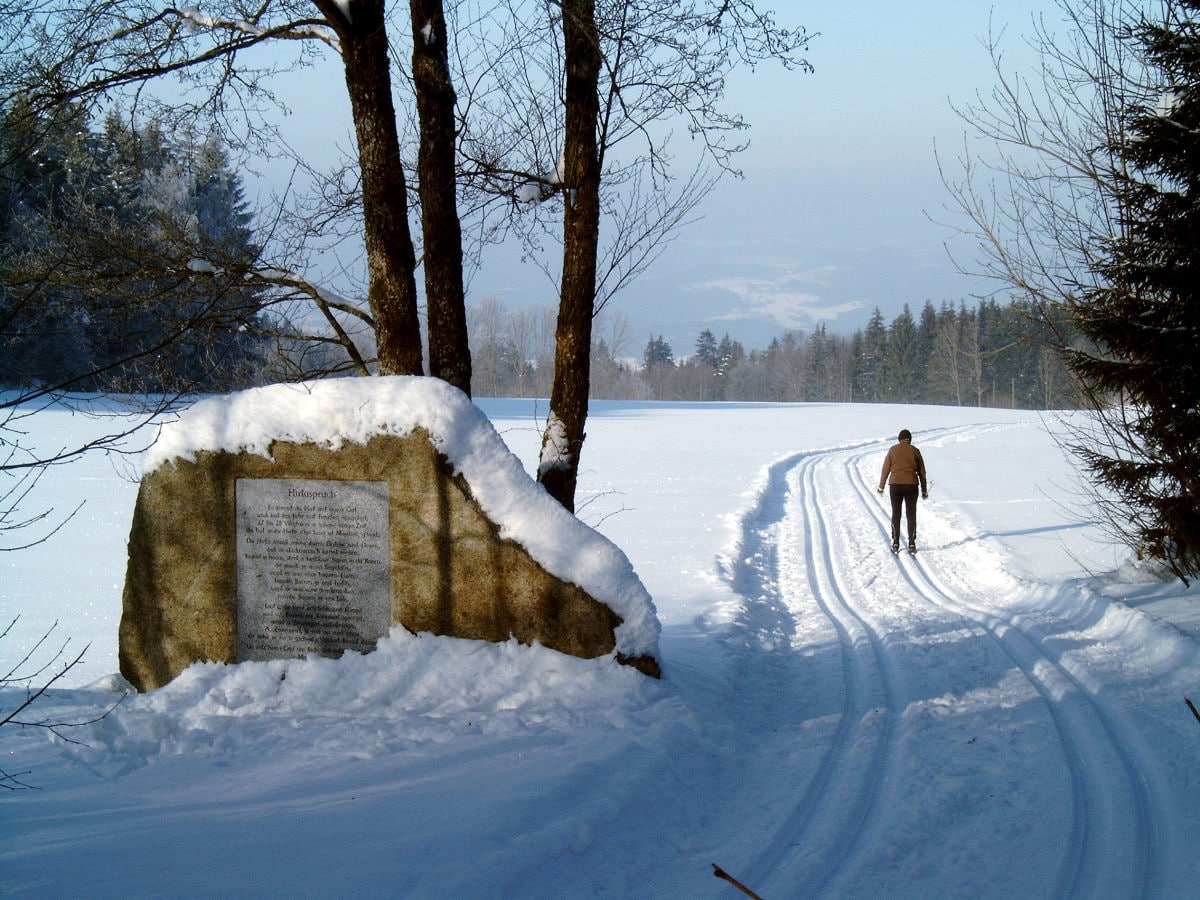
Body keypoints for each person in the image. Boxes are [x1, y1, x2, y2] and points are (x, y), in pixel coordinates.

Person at [877, 428, 928, 553]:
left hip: (895, 485)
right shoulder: (915, 451)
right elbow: (922, 472)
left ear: (899, 439)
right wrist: (924, 490)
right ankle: (911, 543)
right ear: (909, 439)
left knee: (896, 514)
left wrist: (881, 486)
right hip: (911, 485)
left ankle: (895, 542)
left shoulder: (893, 450)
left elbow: (885, 469)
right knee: (911, 514)